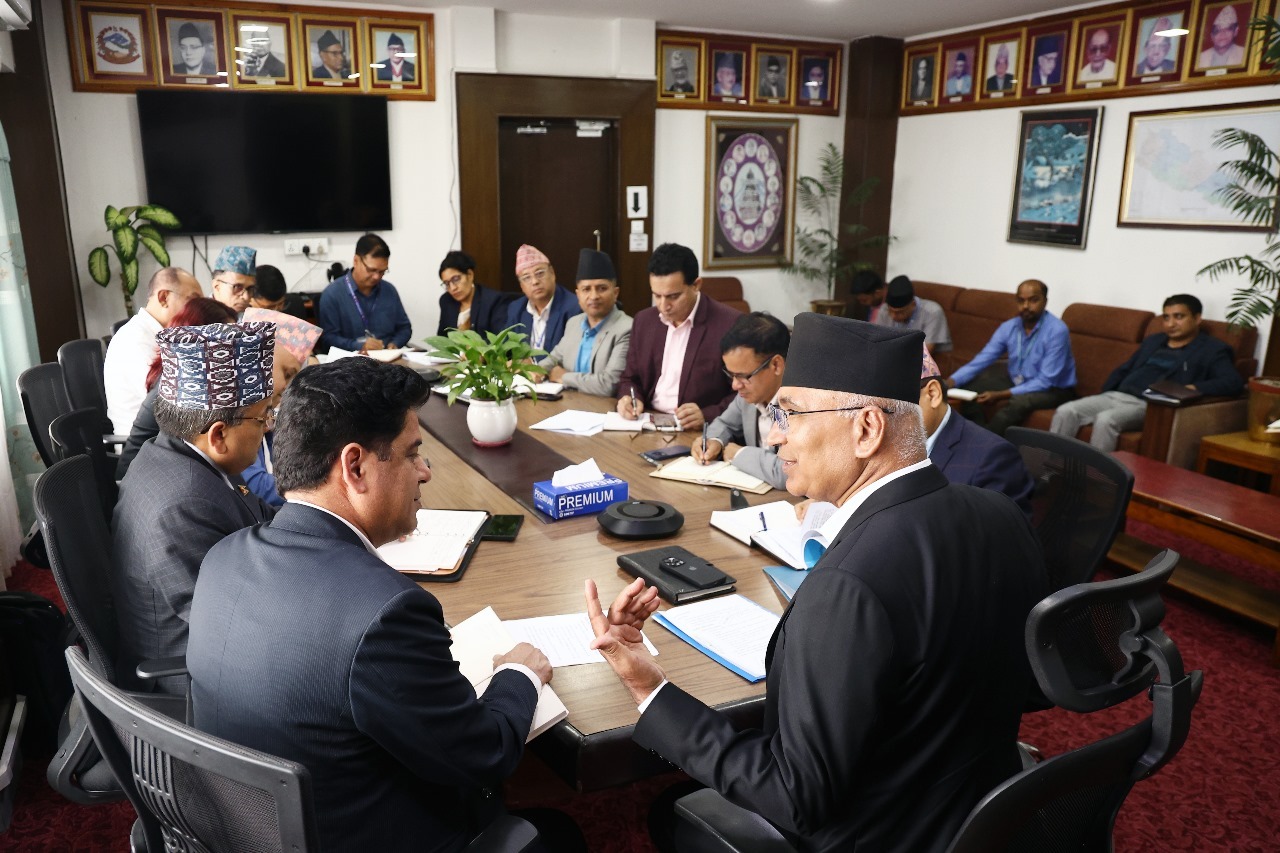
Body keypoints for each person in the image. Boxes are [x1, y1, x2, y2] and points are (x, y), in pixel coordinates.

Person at [587, 315, 1046, 852]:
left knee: (668, 809)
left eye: (791, 413)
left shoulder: (847, 583)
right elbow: (1030, 687)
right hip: (986, 818)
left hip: (882, 836)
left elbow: (796, 796)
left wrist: (650, 690)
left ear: (866, 429)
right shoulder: (1000, 513)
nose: (774, 434)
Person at [186, 358, 568, 852]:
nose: (425, 472)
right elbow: (484, 754)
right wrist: (519, 674)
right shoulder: (386, 612)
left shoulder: (223, 556)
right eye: (413, 454)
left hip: (247, 829)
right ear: (355, 467)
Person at [112, 322, 277, 694]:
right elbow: (233, 624)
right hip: (192, 683)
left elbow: (262, 517)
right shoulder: (184, 503)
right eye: (263, 417)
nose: (268, 427)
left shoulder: (176, 453)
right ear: (218, 435)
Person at [1051, 294, 1245, 451]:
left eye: (1179, 317)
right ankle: (1049, 470)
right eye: (1166, 317)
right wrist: (1106, 392)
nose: (1170, 324)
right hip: (1116, 395)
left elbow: (1233, 382)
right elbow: (1125, 369)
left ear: (1197, 318)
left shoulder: (1212, 349)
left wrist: (1193, 387)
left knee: (1106, 420)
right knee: (1065, 411)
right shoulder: (1154, 341)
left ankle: (1097, 480)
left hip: (1148, 404)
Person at [615, 242, 739, 431]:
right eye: (657, 296)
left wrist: (708, 414)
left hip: (698, 431)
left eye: (673, 296)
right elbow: (630, 378)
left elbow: (745, 393)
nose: (663, 306)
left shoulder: (729, 324)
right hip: (646, 421)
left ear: (696, 285)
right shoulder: (644, 321)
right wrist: (630, 398)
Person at [116, 297, 238, 479]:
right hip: (141, 475)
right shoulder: (179, 381)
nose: (233, 348)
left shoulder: (187, 371)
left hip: (163, 467)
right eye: (228, 340)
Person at [947, 279, 1077, 436]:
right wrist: (952, 381)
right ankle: (977, 435)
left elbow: (1045, 381)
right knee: (969, 389)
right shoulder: (1009, 327)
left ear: (1045, 301)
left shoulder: (1057, 330)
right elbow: (983, 358)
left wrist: (1001, 394)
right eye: (1021, 301)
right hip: (1018, 381)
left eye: (1033, 300)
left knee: (1019, 402)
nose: (1026, 306)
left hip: (1054, 389)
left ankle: (987, 443)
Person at [919, 346, 1033, 515]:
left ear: (933, 394)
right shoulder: (889, 441)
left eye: (891, 410)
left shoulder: (993, 459)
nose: (882, 423)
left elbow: (1004, 531)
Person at [690, 312, 789, 490]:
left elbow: (787, 473)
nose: (735, 385)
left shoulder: (804, 405)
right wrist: (714, 441)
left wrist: (739, 454)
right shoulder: (748, 395)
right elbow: (725, 424)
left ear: (776, 365)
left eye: (743, 376)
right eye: (731, 375)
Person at [104, 267, 203, 435]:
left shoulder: (163, 335)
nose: (199, 310)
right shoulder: (135, 339)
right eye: (194, 301)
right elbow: (168, 402)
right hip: (144, 442)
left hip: (165, 432)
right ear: (164, 298)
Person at [538, 249, 632, 396]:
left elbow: (609, 385)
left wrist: (564, 377)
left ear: (615, 293)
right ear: (578, 294)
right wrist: (537, 371)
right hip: (567, 402)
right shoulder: (574, 323)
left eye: (602, 288)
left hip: (603, 406)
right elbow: (554, 359)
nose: (593, 296)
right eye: (586, 289)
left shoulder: (627, 328)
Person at [318, 234, 412, 353]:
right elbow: (328, 338)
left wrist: (394, 344)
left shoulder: (389, 291)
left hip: (387, 358)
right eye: (371, 270)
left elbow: (404, 328)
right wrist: (359, 346)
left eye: (382, 271)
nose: (376, 276)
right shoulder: (332, 294)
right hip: (350, 360)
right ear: (356, 261)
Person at [503, 244, 582, 352]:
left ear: (552, 273)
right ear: (521, 286)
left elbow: (570, 353)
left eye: (539, 273)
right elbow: (503, 347)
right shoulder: (516, 309)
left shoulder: (574, 308)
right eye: (527, 278)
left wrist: (533, 362)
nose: (535, 281)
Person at [436, 250, 516, 337]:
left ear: (470, 275)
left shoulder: (493, 301)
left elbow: (498, 339)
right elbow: (441, 339)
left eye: (456, 279)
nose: (452, 288)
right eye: (447, 283)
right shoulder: (446, 301)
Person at [874, 275, 952, 354]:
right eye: (890, 311)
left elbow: (925, 352)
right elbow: (877, 342)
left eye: (899, 312)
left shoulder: (932, 312)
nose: (893, 316)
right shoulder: (884, 310)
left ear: (913, 304)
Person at [211, 245, 256, 316]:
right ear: (217, 286)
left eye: (250, 289)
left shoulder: (253, 318)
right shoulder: (199, 316)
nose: (246, 297)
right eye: (237, 287)